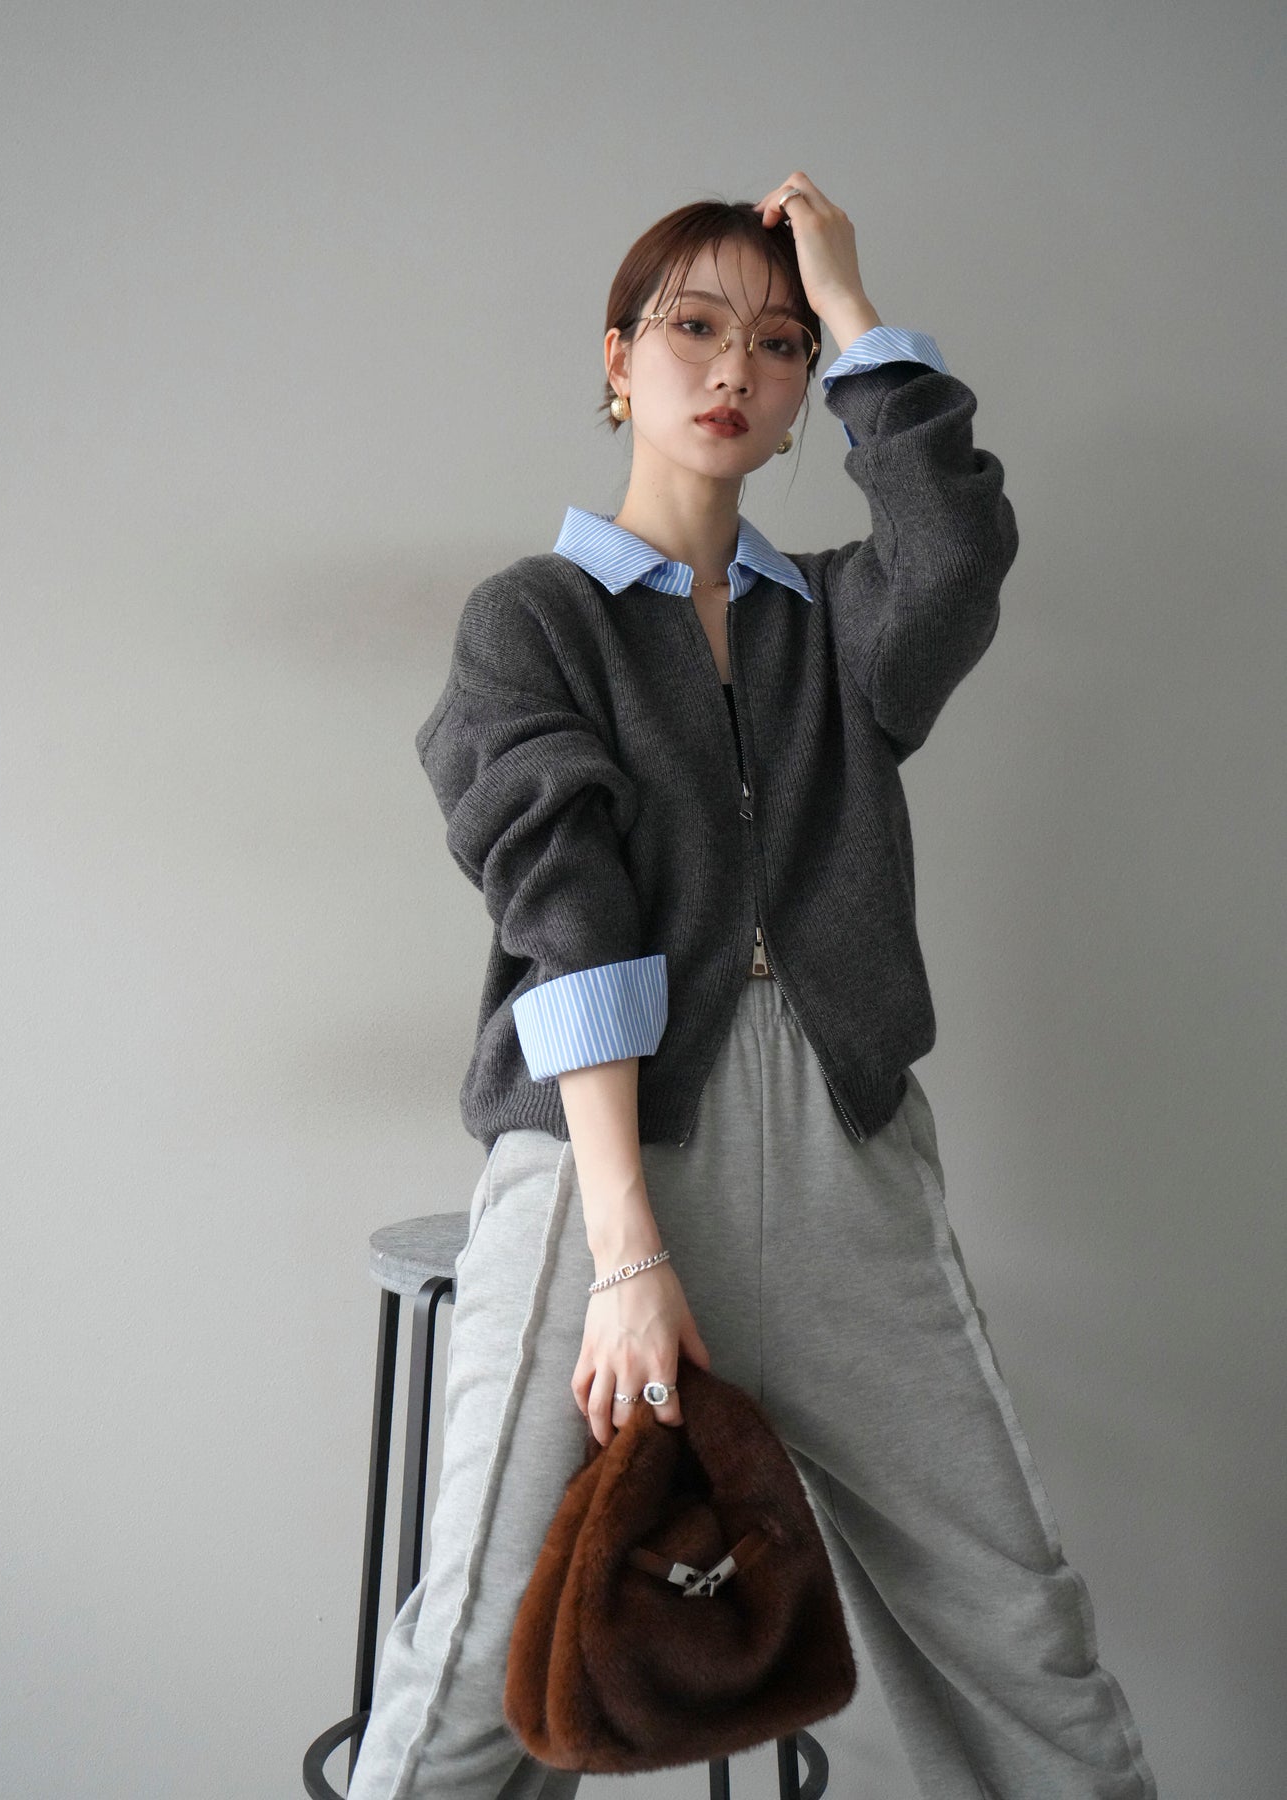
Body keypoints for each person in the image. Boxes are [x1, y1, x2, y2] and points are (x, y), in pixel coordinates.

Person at [346, 173, 1158, 1800]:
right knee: (484, 1659)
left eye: (778, 345)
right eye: (694, 328)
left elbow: (957, 552)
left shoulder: (841, 624)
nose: (734, 368)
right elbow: (564, 918)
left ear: (805, 393)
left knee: (1016, 1632)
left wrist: (856, 310)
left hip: (851, 1171)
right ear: (617, 359)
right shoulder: (536, 621)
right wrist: (629, 1252)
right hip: (609, 1178)